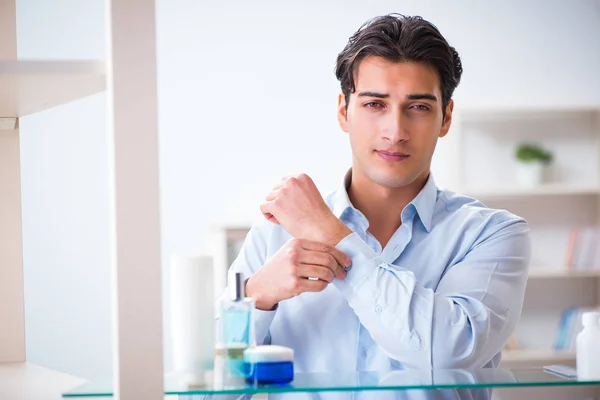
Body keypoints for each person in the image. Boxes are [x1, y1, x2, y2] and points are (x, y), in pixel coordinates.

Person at [212, 13, 530, 400]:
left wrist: (332, 235)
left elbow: (449, 353)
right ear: (344, 111)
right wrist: (257, 297)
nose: (395, 131)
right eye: (375, 103)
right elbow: (215, 390)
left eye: (418, 107)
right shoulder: (276, 230)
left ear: (446, 117)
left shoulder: (491, 234)